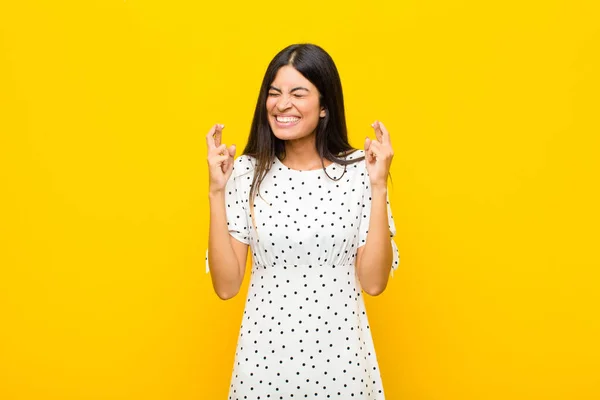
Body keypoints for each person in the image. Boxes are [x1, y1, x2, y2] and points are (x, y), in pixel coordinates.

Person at [205, 43, 400, 399]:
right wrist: (217, 192)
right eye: (274, 93)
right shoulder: (246, 172)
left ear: (325, 106)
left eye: (298, 93)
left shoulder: (361, 171)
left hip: (341, 362)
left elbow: (373, 282)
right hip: (263, 362)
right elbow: (226, 286)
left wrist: (379, 185)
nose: (282, 104)